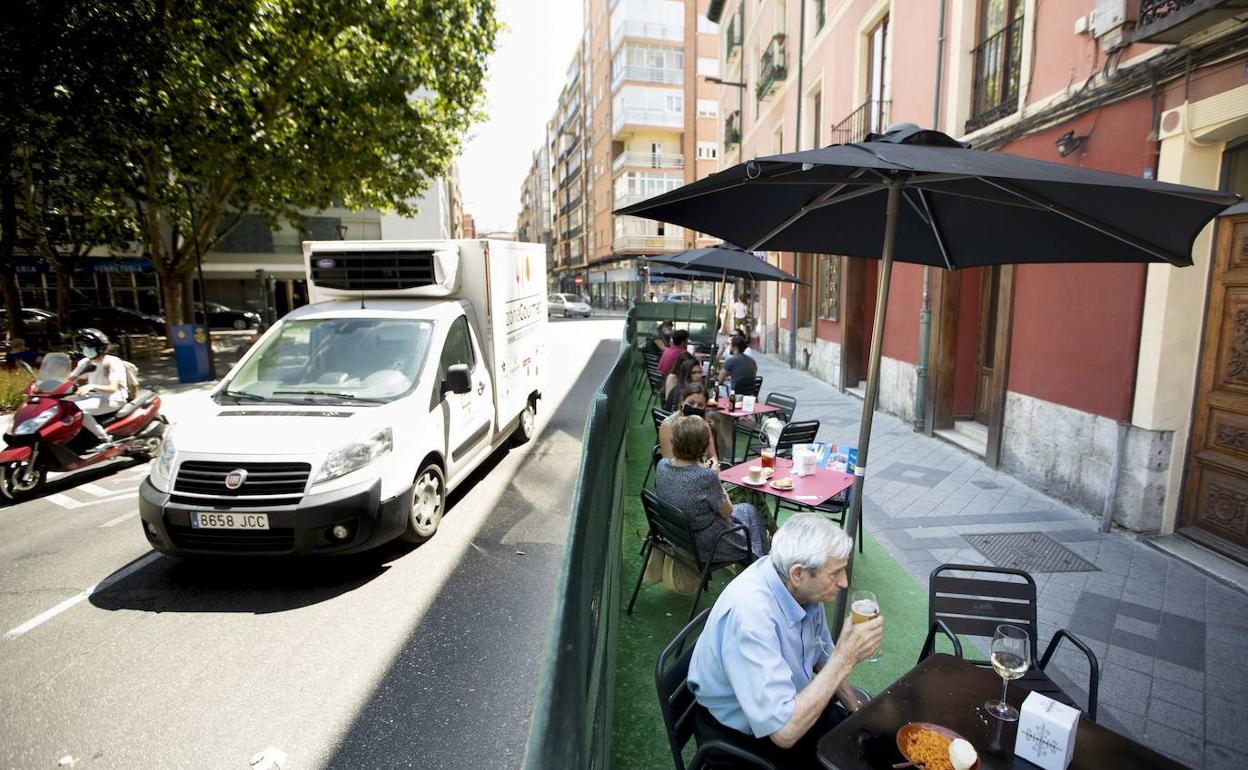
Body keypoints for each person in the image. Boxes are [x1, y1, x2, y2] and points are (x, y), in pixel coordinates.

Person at [688, 514, 884, 768]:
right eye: (835, 573)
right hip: (741, 736)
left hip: (788, 704)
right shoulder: (751, 616)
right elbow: (784, 732)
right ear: (798, 573)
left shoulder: (799, 588)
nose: (844, 582)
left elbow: (823, 656)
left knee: (863, 745)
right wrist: (845, 658)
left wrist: (855, 709)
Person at [655, 415, 769, 563]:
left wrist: (706, 471)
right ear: (703, 446)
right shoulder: (706, 476)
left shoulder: (662, 465)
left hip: (678, 537)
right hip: (706, 545)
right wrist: (715, 476)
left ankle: (758, 559)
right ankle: (761, 564)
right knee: (750, 512)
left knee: (747, 511)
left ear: (674, 440)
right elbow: (727, 512)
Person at [68, 328, 129, 448]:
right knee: (62, 405)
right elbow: (70, 379)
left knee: (77, 409)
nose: (84, 349)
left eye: (87, 346)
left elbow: (112, 388)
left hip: (113, 398)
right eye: (82, 346)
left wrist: (91, 386)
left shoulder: (112, 362)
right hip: (93, 396)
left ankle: (104, 439)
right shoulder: (86, 362)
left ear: (99, 347)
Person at [659, 384, 719, 465]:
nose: (695, 407)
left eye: (700, 405)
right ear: (682, 401)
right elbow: (670, 461)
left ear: (705, 406)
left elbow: (713, 457)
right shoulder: (668, 425)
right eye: (691, 403)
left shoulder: (704, 424)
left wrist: (713, 466)